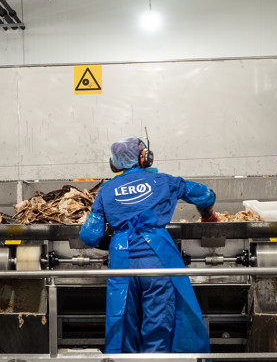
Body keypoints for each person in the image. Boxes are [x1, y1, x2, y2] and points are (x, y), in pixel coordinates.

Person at [79, 136, 217, 354]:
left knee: (122, 321)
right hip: (157, 259)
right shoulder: (163, 181)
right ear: (145, 158)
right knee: (159, 322)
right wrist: (208, 215)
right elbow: (205, 195)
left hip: (122, 261)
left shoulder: (106, 190)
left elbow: (89, 235)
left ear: (114, 164)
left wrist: (114, 241)